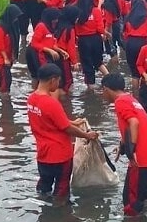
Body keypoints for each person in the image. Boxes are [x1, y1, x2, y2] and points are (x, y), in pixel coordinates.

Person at [27, 64, 98, 206]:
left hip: (43, 154)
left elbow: (50, 119)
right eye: (58, 81)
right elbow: (66, 128)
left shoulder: (31, 99)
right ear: (52, 80)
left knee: (44, 184)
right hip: (60, 154)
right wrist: (86, 135)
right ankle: (60, 214)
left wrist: (72, 122)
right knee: (62, 187)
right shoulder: (51, 103)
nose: (58, 84)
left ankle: (43, 207)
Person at [100, 73, 147, 216]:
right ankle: (145, 218)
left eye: (102, 91)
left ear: (106, 89)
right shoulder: (131, 99)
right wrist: (122, 145)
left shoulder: (120, 102)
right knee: (140, 193)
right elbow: (131, 125)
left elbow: (134, 122)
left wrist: (131, 149)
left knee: (129, 202)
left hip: (141, 159)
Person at [74, 0, 108, 89]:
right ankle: (109, 78)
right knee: (98, 62)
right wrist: (106, 33)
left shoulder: (77, 12)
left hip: (83, 41)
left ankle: (91, 87)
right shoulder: (96, 11)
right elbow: (100, 29)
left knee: (87, 64)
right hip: (96, 40)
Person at [0, 4, 23, 94]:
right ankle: (5, 97)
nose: (16, 19)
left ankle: (0, 92)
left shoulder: (11, 25)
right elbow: (0, 44)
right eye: (15, 16)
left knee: (2, 77)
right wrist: (5, 58)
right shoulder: (0, 27)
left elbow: (14, 41)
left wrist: (13, 55)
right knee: (7, 79)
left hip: (7, 56)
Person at [28, 7, 64, 90]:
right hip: (36, 53)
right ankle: (37, 92)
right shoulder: (41, 26)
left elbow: (52, 42)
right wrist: (49, 50)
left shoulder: (51, 27)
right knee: (42, 75)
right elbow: (34, 43)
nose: (57, 20)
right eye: (55, 18)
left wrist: (60, 50)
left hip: (44, 52)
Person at [124, 0, 147, 93]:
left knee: (134, 71)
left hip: (130, 43)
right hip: (142, 42)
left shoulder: (128, 17)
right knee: (143, 67)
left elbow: (124, 33)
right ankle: (143, 91)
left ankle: (135, 93)